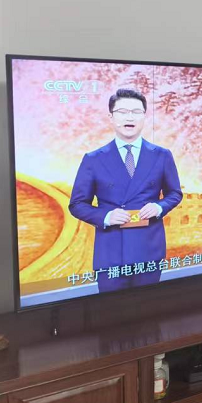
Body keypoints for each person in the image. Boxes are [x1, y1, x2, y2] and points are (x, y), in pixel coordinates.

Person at [69, 88, 183, 293]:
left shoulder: (162, 155)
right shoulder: (94, 159)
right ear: (111, 117)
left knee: (148, 308)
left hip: (148, 250)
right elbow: (77, 204)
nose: (129, 118)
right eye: (122, 112)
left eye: (136, 112)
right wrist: (106, 216)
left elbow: (174, 193)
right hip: (111, 252)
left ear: (144, 116)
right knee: (112, 310)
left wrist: (159, 207)